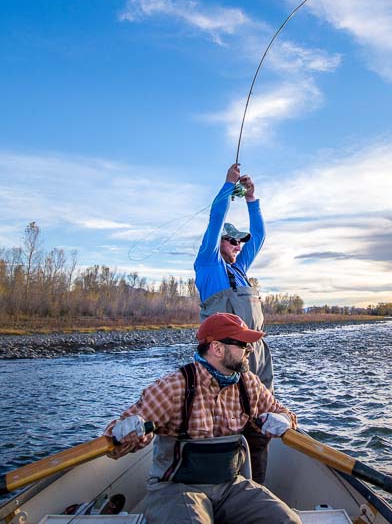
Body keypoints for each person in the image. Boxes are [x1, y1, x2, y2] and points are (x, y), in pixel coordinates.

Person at [105, 312, 300, 524]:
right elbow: (115, 443)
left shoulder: (248, 383)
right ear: (217, 348)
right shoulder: (174, 386)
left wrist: (284, 419)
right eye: (243, 345)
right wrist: (127, 434)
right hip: (175, 488)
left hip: (229, 485)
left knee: (287, 521)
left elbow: (283, 413)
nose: (250, 351)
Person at [194, 163, 272, 390]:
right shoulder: (209, 262)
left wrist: (251, 198)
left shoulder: (240, 268)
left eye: (240, 242)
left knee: (265, 406)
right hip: (226, 352)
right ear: (220, 241)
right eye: (233, 240)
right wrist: (229, 184)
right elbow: (216, 219)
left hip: (255, 349)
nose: (239, 247)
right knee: (230, 406)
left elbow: (259, 235)